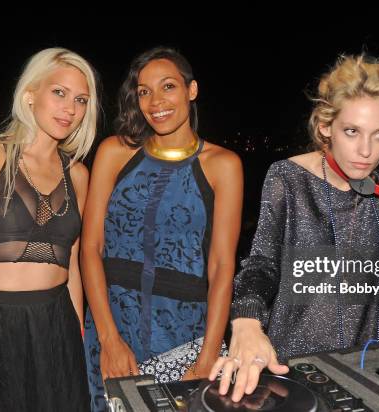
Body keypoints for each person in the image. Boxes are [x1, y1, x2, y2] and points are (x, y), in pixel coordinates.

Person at [209, 54, 379, 402]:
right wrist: (246, 321)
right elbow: (261, 263)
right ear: (326, 126)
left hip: (376, 371)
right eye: (352, 131)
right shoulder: (287, 177)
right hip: (294, 368)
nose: (366, 150)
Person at [0, 47, 99, 411]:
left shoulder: (80, 176)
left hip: (55, 330)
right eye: (59, 92)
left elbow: (70, 265)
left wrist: (77, 335)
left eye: (81, 99)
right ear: (30, 94)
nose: (70, 109)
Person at [82, 46, 243, 411]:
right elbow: (91, 248)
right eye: (144, 91)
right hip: (112, 326)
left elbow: (221, 267)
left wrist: (205, 360)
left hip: (185, 336)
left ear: (192, 90)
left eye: (168, 86)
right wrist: (109, 340)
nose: (156, 101)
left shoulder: (223, 164)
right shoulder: (114, 152)